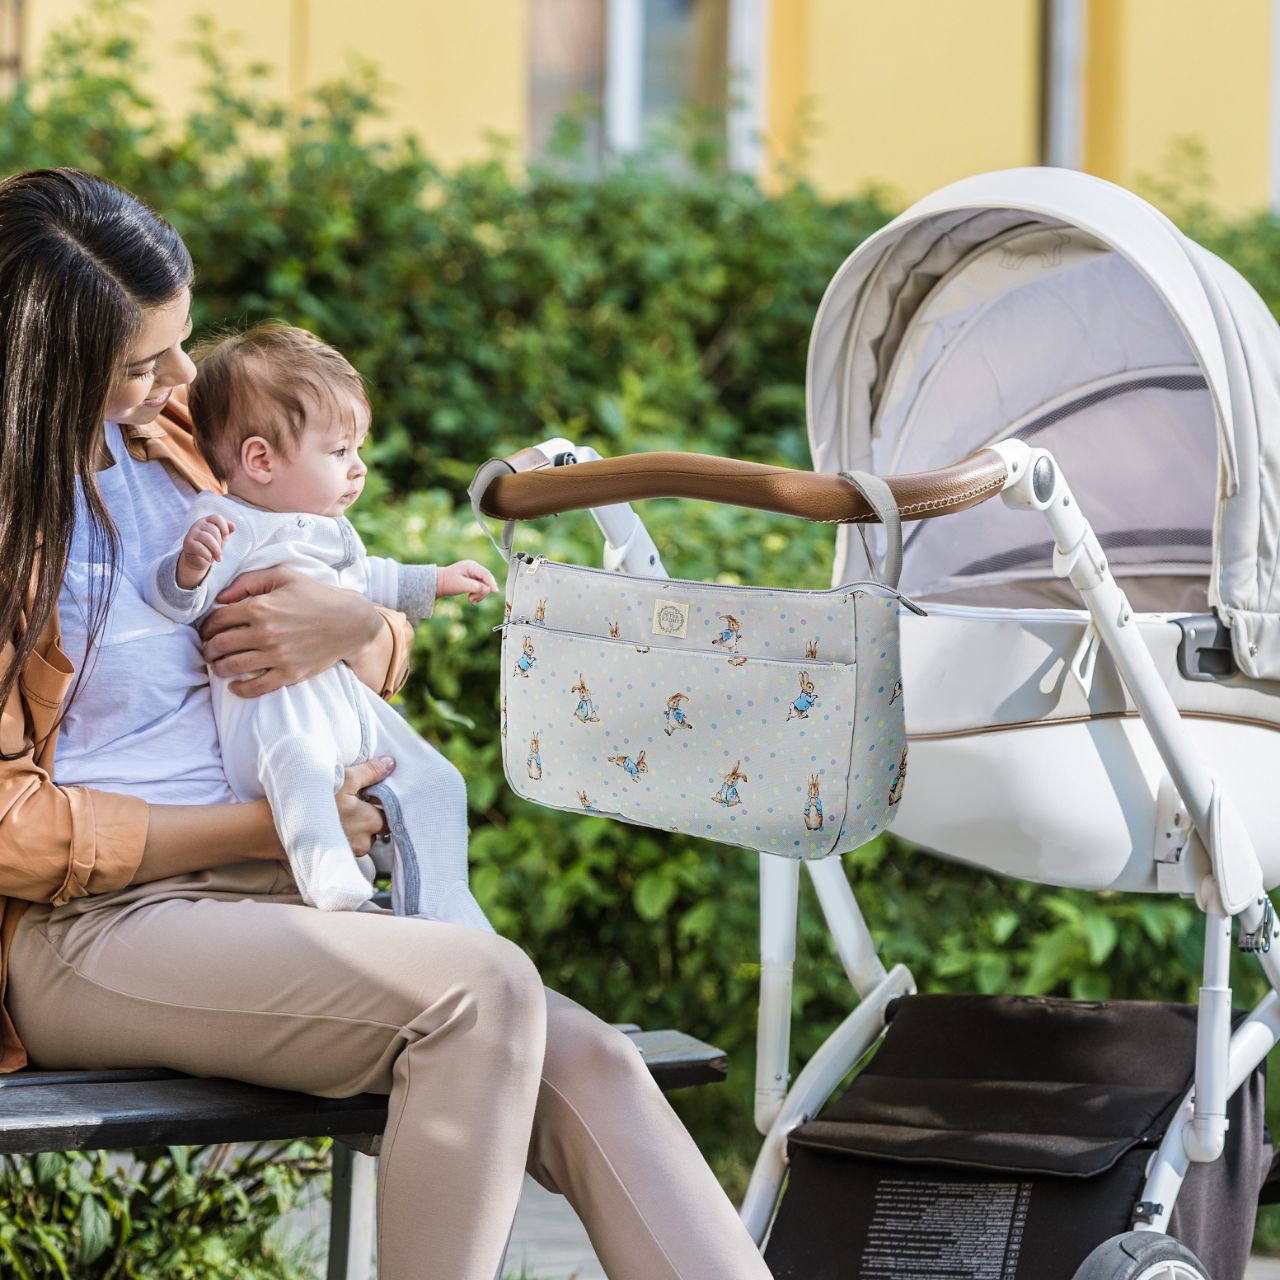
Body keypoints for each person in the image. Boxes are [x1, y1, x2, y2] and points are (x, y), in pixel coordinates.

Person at [0, 167, 774, 1280]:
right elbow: (12, 829)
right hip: (100, 926)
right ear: (48, 370)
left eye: (176, 345)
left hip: (286, 880)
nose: (182, 377)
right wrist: (261, 831)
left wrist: (352, 619)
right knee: (483, 988)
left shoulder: (172, 438)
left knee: (592, 1061)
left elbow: (339, 619)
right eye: (141, 364)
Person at [142, 323, 495, 927]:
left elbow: (370, 579)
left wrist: (435, 579)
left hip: (339, 703)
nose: (358, 470)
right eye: (339, 452)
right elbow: (180, 602)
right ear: (260, 460)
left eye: (357, 451)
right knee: (301, 769)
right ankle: (333, 887)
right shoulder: (228, 521)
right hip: (273, 709)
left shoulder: (328, 529)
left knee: (437, 781)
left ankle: (446, 909)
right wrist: (188, 567)